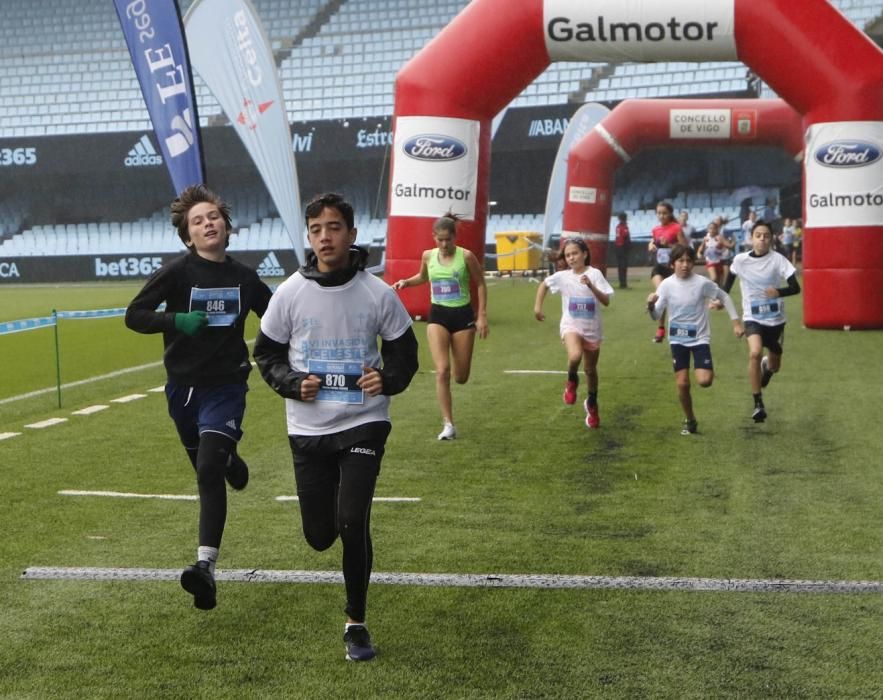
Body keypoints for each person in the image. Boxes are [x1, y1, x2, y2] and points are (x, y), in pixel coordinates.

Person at [253, 193, 418, 662]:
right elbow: (265, 354)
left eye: (334, 227)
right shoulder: (289, 293)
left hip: (364, 421)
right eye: (316, 230)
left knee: (352, 519)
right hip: (308, 429)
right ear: (309, 237)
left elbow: (405, 355)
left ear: (351, 233)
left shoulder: (378, 293)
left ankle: (356, 622)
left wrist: (385, 378)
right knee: (320, 534)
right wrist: (291, 383)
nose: (325, 237)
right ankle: (339, 554)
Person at [125, 184, 272, 610]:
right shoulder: (177, 273)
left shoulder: (244, 278)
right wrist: (175, 320)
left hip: (226, 387)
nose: (208, 224)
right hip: (182, 391)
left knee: (207, 470)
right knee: (208, 463)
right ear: (188, 236)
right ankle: (229, 458)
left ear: (227, 226)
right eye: (198, 221)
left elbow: (277, 315)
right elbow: (134, 315)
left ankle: (205, 568)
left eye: (213, 217)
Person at [392, 212, 488, 440]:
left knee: (460, 377)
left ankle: (459, 366)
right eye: (440, 239)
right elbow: (423, 277)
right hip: (438, 316)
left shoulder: (466, 257)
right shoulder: (428, 256)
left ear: (455, 237)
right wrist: (407, 282)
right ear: (434, 237)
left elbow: (481, 283)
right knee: (442, 370)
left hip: (463, 316)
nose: (444, 244)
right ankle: (448, 424)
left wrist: (481, 315)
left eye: (448, 239)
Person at [647, 244, 743, 435]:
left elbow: (724, 296)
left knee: (705, 381)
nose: (685, 265)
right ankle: (690, 419)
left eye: (689, 261)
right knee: (682, 383)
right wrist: (651, 306)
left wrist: (736, 323)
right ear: (672, 264)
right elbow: (656, 313)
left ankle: (705, 371)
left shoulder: (701, 283)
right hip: (677, 338)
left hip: (699, 338)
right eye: (680, 261)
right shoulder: (666, 285)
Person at [722, 220, 800, 423]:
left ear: (771, 238)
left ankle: (769, 366)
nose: (762, 239)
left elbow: (795, 287)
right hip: (752, 317)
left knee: (775, 366)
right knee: (754, 352)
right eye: (758, 235)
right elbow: (727, 284)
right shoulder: (740, 260)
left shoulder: (779, 260)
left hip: (776, 320)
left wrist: (778, 292)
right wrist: (719, 300)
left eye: (766, 235)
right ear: (751, 238)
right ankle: (758, 403)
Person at [534, 237, 614, 428]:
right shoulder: (563, 276)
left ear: (584, 254)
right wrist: (537, 307)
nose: (571, 258)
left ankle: (592, 404)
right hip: (571, 326)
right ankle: (571, 380)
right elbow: (544, 285)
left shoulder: (595, 274)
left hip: (592, 329)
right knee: (575, 355)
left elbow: (606, 301)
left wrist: (590, 286)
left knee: (590, 371)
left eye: (575, 253)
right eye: (568, 255)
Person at [648, 201, 688, 343]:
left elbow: (684, 247)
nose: (661, 216)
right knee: (660, 294)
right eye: (659, 213)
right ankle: (660, 329)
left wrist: (669, 245)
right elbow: (652, 242)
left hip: (672, 268)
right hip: (659, 266)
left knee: (674, 299)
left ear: (670, 213)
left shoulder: (676, 228)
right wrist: (651, 245)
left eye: (664, 213)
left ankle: (676, 327)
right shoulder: (656, 229)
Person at [697, 220, 725, 286]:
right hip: (710, 261)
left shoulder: (719, 237)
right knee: (714, 278)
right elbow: (701, 248)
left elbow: (724, 248)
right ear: (708, 230)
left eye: (714, 228)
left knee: (719, 283)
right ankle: (704, 286)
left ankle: (715, 294)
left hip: (719, 261)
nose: (712, 230)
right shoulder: (706, 238)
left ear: (716, 229)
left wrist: (720, 245)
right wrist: (699, 253)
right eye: (710, 228)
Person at [614, 212, 630, 289]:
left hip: (617, 248)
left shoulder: (617, 226)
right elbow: (625, 237)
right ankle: (623, 284)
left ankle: (622, 283)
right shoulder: (624, 227)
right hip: (623, 248)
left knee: (620, 266)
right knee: (623, 266)